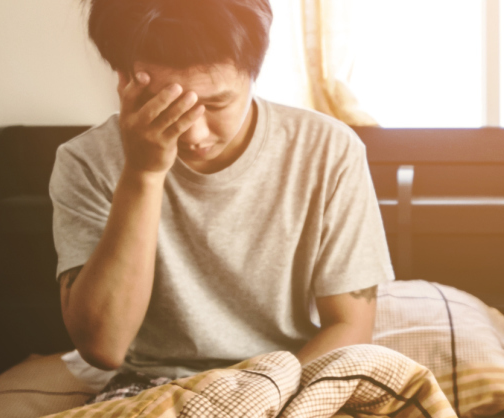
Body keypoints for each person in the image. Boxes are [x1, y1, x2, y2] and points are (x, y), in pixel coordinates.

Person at [49, 0, 394, 394]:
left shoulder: (328, 150)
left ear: (253, 73)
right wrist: (143, 174)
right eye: (166, 105)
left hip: (294, 380)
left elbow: (350, 327)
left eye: (216, 104)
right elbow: (103, 348)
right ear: (124, 79)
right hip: (151, 386)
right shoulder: (87, 162)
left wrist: (254, 399)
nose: (194, 135)